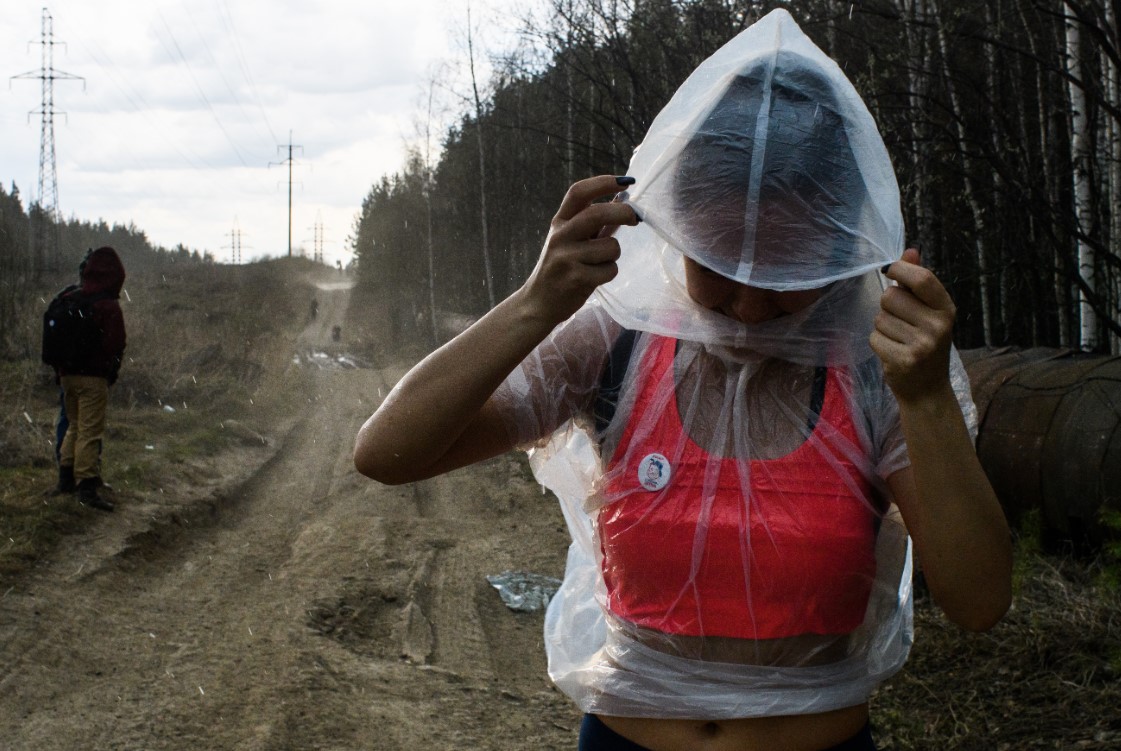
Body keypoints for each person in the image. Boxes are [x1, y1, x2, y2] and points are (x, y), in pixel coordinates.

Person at [354, 10, 1011, 751]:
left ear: (841, 245)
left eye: (785, 273)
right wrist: (538, 299)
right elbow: (388, 452)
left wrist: (923, 398)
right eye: (719, 265)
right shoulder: (620, 335)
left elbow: (979, 599)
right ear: (673, 228)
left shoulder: (876, 366)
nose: (748, 304)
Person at [53, 246, 127, 512]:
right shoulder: (107, 305)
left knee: (73, 426)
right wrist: (110, 373)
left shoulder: (69, 298)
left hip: (67, 376)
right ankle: (86, 486)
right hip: (93, 377)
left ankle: (65, 479)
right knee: (90, 431)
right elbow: (115, 344)